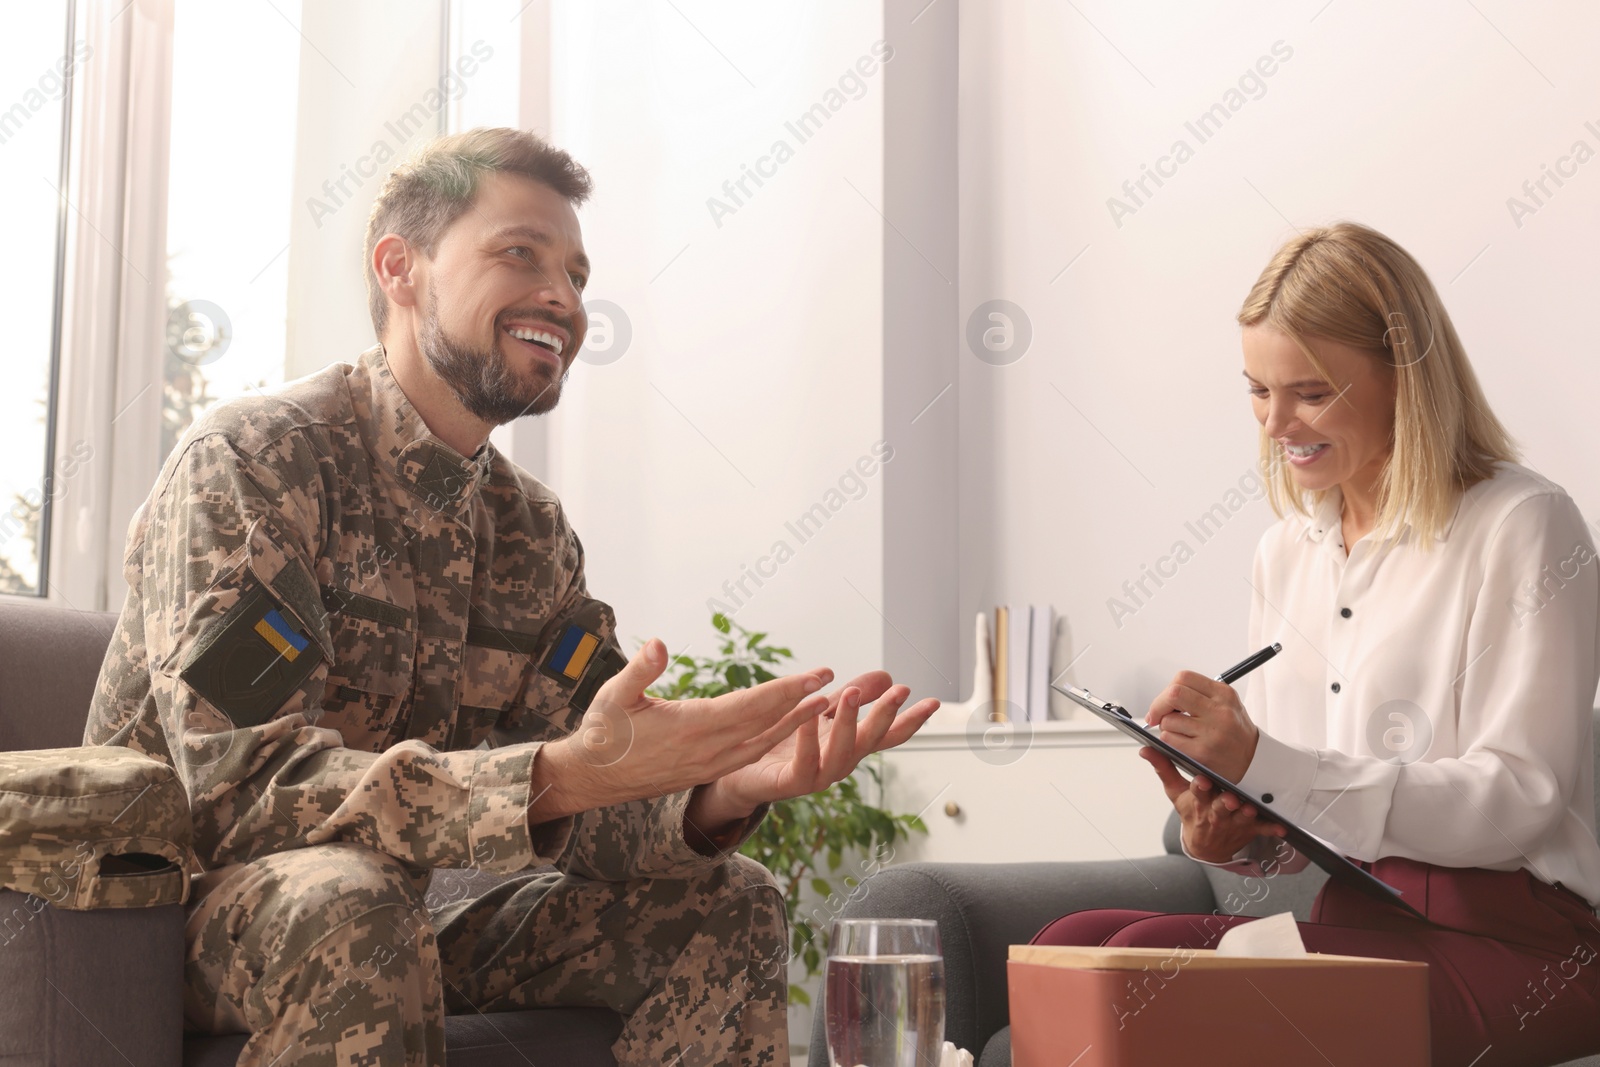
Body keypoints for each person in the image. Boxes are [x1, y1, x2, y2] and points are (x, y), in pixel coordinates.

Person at [82, 126, 940, 1067]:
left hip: (386, 910)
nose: (562, 299)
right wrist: (558, 774)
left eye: (575, 273)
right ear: (400, 269)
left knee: (731, 898)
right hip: (167, 912)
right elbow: (244, 795)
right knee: (350, 903)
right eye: (519, 254)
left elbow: (601, 790)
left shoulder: (530, 531)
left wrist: (718, 792)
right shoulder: (256, 462)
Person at [1032, 221, 1600, 1065]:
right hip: (1360, 922)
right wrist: (1231, 826)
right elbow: (1302, 814)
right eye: (1258, 391)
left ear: (1406, 376)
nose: (1275, 423)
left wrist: (1271, 760)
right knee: (1077, 938)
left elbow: (1521, 800)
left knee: (1135, 972)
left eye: (1310, 390)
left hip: (1521, 940)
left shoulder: (1523, 523)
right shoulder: (1286, 552)